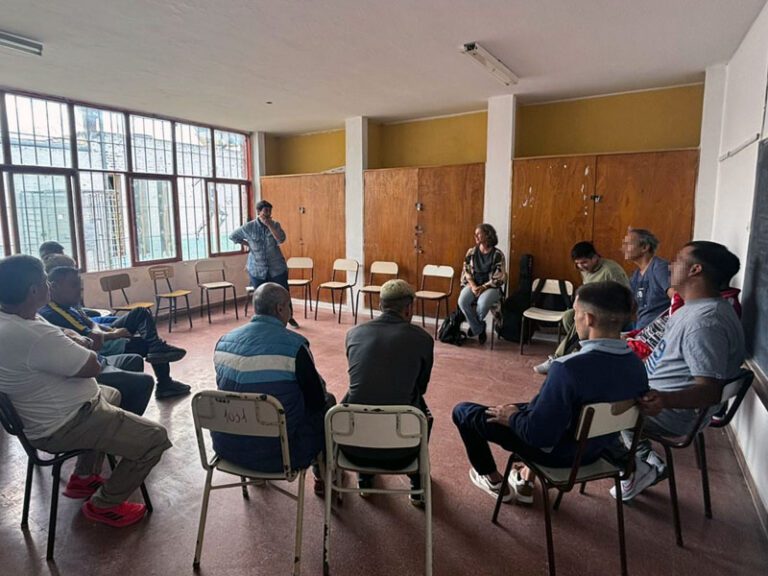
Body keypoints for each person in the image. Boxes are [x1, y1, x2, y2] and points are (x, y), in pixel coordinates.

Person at [0, 255, 171, 527]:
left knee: (112, 394)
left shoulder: (15, 318)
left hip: (50, 415)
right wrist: (86, 343)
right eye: (45, 281)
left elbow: (60, 332)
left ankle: (83, 477)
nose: (48, 285)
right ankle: (104, 504)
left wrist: (76, 338)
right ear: (34, 290)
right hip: (64, 424)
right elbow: (91, 364)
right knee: (156, 439)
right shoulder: (33, 336)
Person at [453, 281, 649, 505]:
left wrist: (513, 417)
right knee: (534, 406)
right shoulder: (636, 365)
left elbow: (538, 435)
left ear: (589, 319)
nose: (573, 319)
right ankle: (525, 478)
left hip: (557, 454)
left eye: (575, 312)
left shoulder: (567, 368)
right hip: (596, 450)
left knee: (464, 413)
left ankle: (493, 480)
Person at [612, 241, 746, 501]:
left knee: (583, 406)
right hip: (654, 395)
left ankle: (637, 465)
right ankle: (643, 460)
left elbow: (710, 391)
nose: (670, 264)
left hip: (669, 412)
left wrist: (664, 400)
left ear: (695, 270)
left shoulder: (705, 323)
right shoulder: (693, 309)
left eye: (678, 259)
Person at [212, 283, 334, 493]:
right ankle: (323, 476)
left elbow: (228, 393)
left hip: (228, 447)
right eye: (289, 306)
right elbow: (316, 400)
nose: (290, 311)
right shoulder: (295, 346)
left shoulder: (223, 342)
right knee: (328, 403)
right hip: (280, 453)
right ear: (280, 309)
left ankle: (254, 476)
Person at [343, 279, 434, 506]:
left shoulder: (354, 334)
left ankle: (364, 476)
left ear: (381, 305)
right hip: (403, 453)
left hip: (353, 449)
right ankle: (417, 480)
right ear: (408, 309)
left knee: (354, 396)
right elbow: (420, 388)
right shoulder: (422, 339)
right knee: (423, 413)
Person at [39, 266, 190, 399]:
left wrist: (112, 330)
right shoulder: (54, 311)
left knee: (140, 313)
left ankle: (157, 351)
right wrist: (115, 334)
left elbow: (91, 323)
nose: (80, 290)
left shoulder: (68, 305)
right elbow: (93, 336)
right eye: (74, 285)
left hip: (104, 334)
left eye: (80, 285)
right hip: (100, 346)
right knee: (147, 344)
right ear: (54, 287)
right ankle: (164, 381)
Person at [534, 241, 630, 374]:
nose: (581, 266)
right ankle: (578, 352)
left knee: (583, 319)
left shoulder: (611, 271)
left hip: (609, 314)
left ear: (595, 257)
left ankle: (557, 358)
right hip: (590, 310)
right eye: (577, 264)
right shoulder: (585, 270)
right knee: (569, 317)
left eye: (584, 262)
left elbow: (625, 298)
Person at [230, 199, 299, 328]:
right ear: (258, 212)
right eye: (265, 211)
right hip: (257, 269)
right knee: (260, 296)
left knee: (283, 293)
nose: (268, 213)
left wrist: (269, 225)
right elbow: (233, 236)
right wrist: (248, 244)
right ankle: (262, 323)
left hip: (276, 268)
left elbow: (281, 239)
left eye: (269, 211)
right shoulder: (248, 227)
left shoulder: (275, 225)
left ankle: (289, 317)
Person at [458, 223, 507, 344]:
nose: (475, 236)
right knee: (462, 301)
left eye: (479, 233)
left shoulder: (498, 255)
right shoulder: (471, 252)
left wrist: (484, 287)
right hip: (473, 284)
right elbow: (466, 271)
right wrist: (474, 286)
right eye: (475, 234)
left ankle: (475, 327)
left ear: (488, 235)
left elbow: (499, 278)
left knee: (482, 303)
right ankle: (479, 327)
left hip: (491, 286)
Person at [622, 228, 672, 329]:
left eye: (629, 244)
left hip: (660, 333)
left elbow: (677, 298)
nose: (624, 248)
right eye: (624, 244)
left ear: (644, 247)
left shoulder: (660, 268)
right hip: (641, 332)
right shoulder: (635, 276)